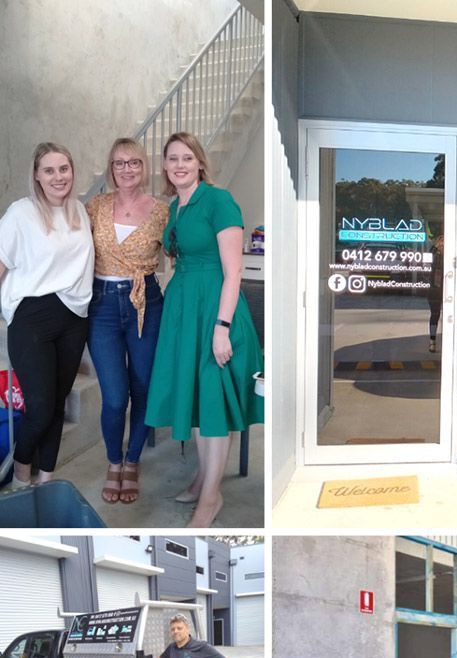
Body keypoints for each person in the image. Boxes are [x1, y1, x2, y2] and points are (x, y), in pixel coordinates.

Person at [145, 132, 263, 527]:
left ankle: (211, 497)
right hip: (183, 309)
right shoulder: (175, 207)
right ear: (165, 166)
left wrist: (221, 328)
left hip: (215, 308)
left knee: (211, 400)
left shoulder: (219, 200)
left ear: (199, 162)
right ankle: (201, 479)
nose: (179, 164)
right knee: (195, 400)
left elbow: (234, 272)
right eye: (172, 159)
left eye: (187, 158)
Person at [0, 142, 94, 489]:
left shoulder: (79, 211)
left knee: (57, 402)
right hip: (32, 316)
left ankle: (48, 477)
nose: (58, 177)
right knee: (39, 407)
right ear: (37, 176)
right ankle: (22, 471)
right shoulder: (20, 214)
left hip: (74, 316)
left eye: (64, 169)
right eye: (50, 170)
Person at [86, 138, 169, 504]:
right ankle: (113, 460)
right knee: (116, 397)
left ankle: (132, 460)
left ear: (144, 167)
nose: (127, 169)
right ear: (111, 168)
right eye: (119, 163)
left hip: (146, 302)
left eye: (134, 162)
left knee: (143, 388)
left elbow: (183, 255)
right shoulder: (95, 207)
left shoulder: (163, 212)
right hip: (102, 304)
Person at [426, 234, 444, 353]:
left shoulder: (452, 253)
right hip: (434, 289)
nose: (443, 245)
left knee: (450, 316)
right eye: (442, 242)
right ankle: (432, 341)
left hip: (448, 289)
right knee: (435, 314)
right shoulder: (433, 253)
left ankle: (448, 342)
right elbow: (427, 267)